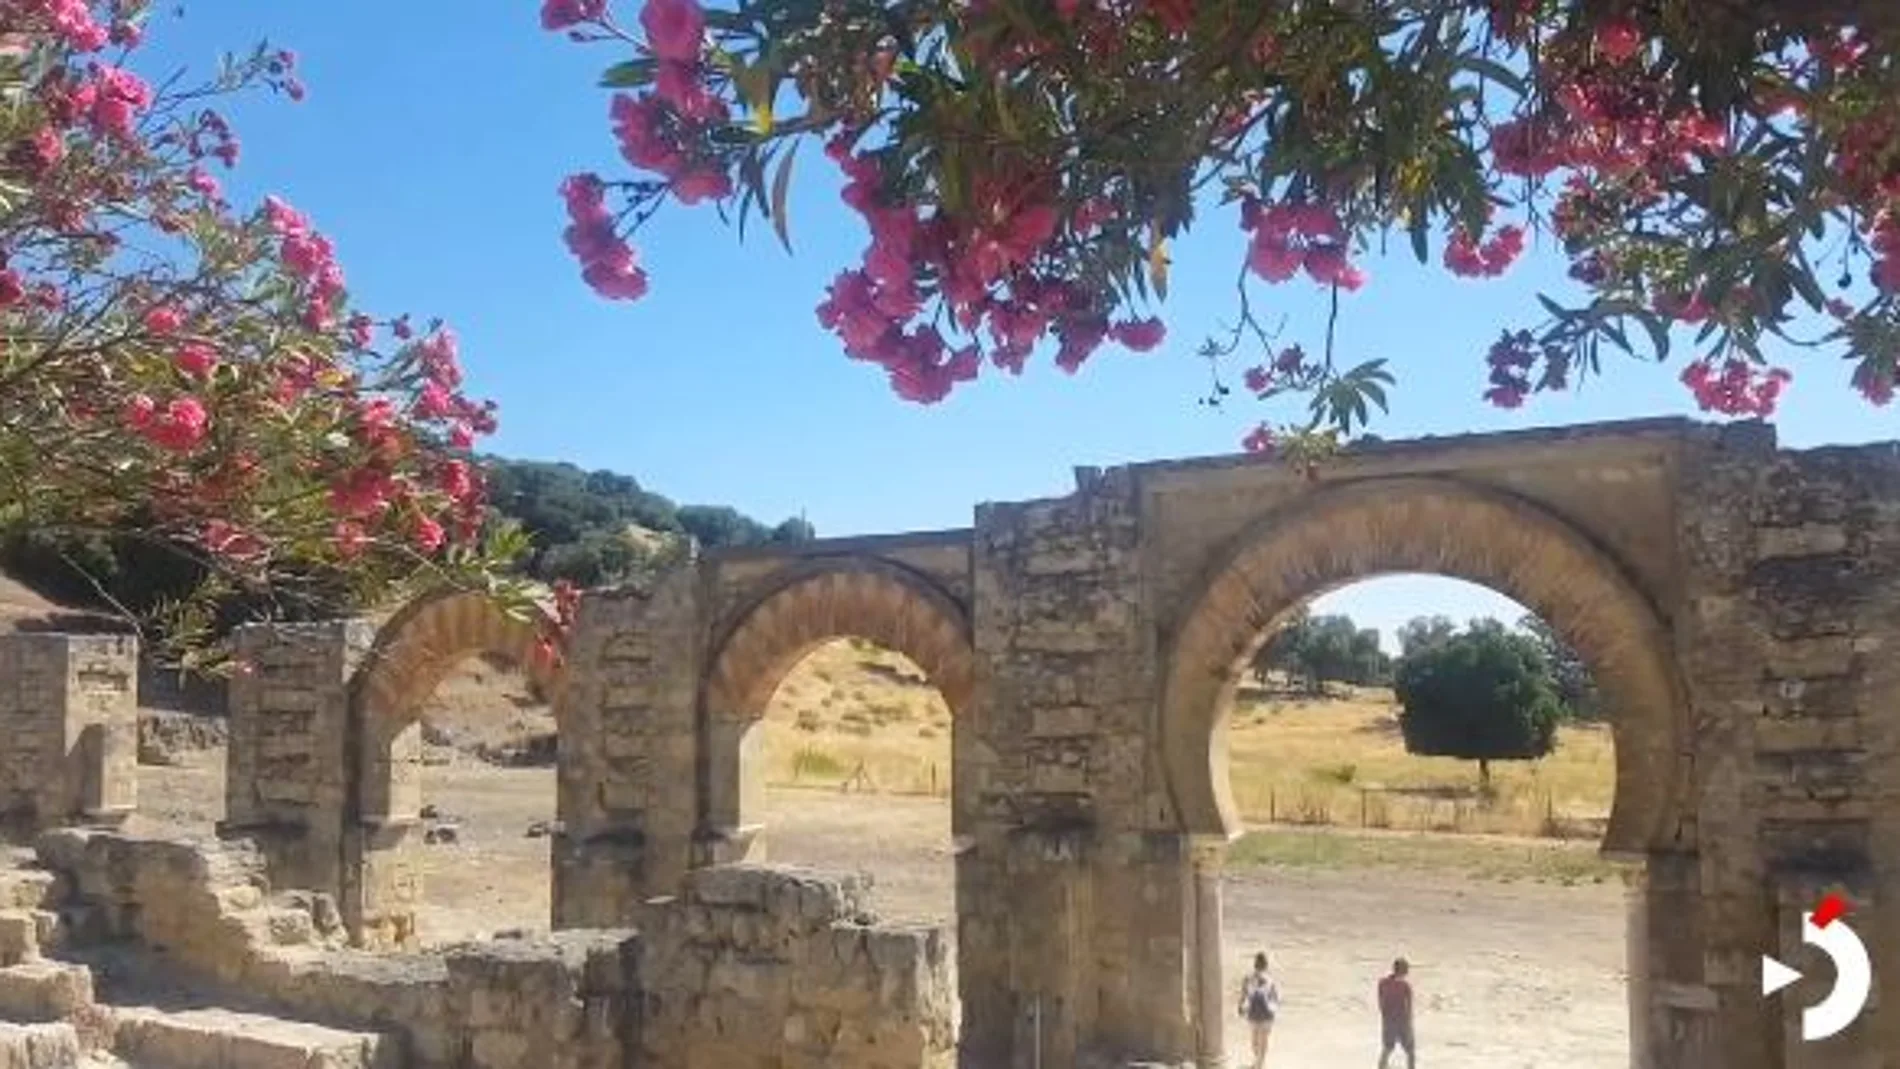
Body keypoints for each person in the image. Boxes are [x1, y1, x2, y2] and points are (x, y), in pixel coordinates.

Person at [1237, 951, 1280, 1068]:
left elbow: (1243, 995)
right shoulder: (1270, 980)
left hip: (1253, 1013)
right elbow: (1275, 998)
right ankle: (1260, 1062)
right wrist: (1275, 1010)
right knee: (1264, 1039)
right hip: (1267, 1013)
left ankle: (1258, 1061)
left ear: (1254, 964)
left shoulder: (1248, 978)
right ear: (1266, 965)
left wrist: (1240, 1007)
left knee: (1254, 1039)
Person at [1377, 957, 1416, 1069]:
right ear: (1404, 971)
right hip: (1402, 1021)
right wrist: (1409, 1024)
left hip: (1388, 1021)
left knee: (1387, 1048)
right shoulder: (1405, 987)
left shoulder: (1383, 983)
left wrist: (1385, 1017)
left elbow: (1381, 1002)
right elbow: (1408, 1008)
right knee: (1410, 1051)